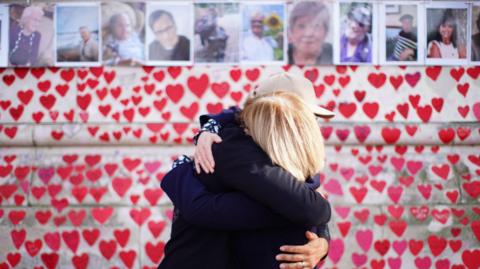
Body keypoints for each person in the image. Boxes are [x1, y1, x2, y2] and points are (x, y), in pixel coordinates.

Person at [159, 73, 334, 269]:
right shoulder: (238, 150)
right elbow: (311, 208)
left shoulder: (282, 155)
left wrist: (322, 242)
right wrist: (180, 171)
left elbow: (305, 201)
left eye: (313, 119)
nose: (311, 127)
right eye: (304, 118)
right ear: (273, 118)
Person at [288, 1, 332, 65]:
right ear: (291, 31)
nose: (308, 33)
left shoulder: (335, 54)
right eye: (301, 26)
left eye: (316, 26)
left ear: (326, 31)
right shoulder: (282, 55)